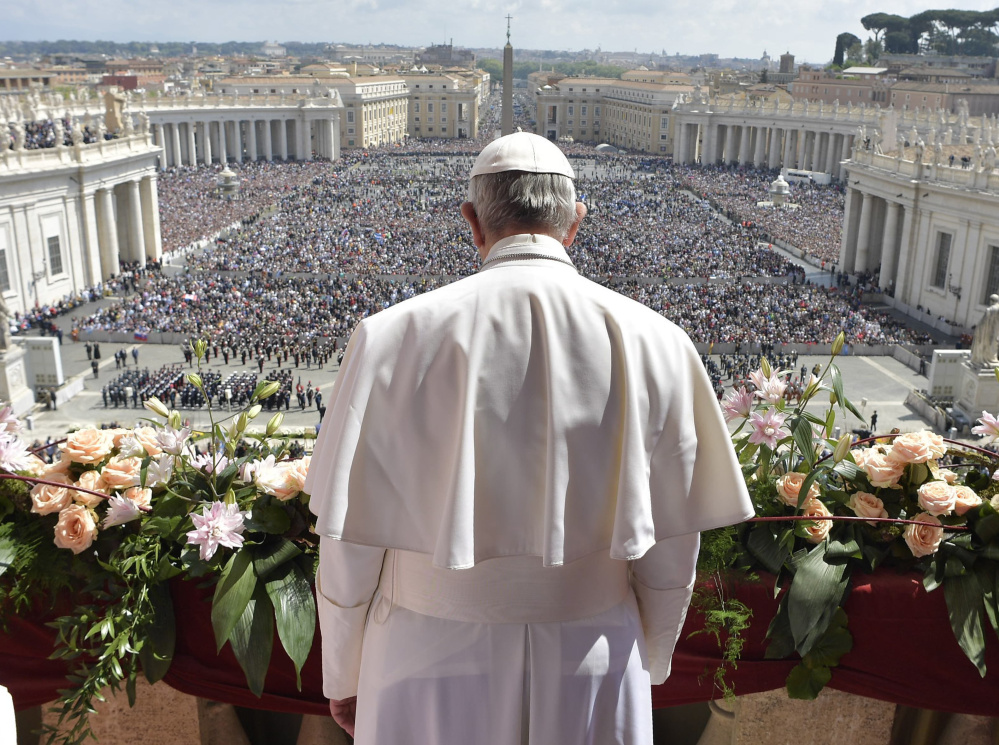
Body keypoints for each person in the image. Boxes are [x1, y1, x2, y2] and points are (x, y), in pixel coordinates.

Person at [304, 132, 755, 745]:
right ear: (575, 223)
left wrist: (343, 671)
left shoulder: (389, 336)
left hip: (423, 652)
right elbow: (672, 546)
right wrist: (649, 655)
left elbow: (350, 542)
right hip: (591, 650)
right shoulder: (661, 341)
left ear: (471, 221)